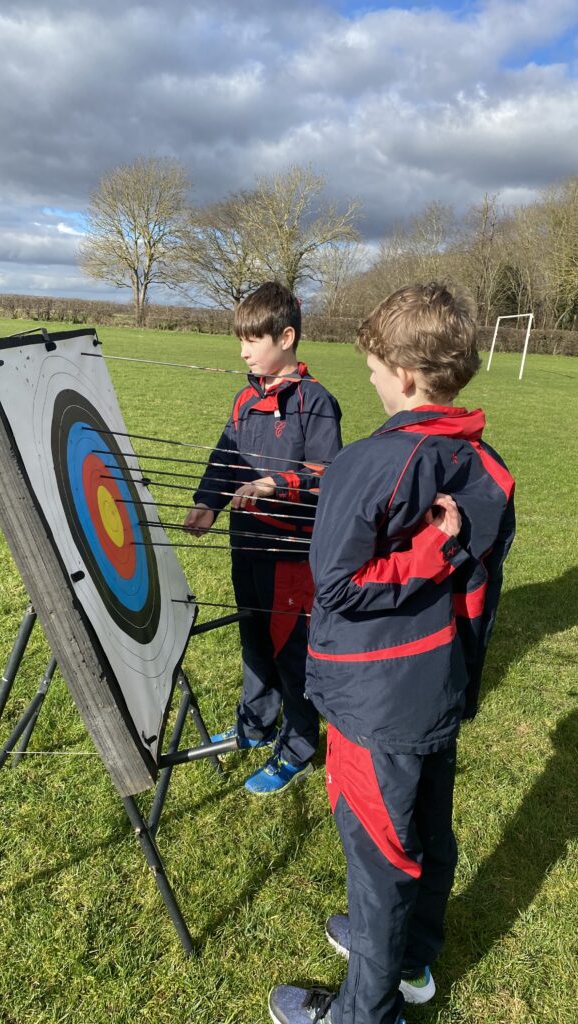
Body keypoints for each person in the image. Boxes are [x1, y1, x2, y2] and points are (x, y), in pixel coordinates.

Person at [268, 283, 516, 1023]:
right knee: (426, 833)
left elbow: (338, 587)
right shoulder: (486, 463)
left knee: (382, 861)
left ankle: (363, 1012)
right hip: (436, 688)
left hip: (377, 703)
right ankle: (409, 961)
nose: (371, 383)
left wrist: (430, 551)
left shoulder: (373, 461)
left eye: (374, 370)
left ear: (405, 376)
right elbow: (481, 592)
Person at [183, 281, 342, 795]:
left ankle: (298, 746)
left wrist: (277, 483)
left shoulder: (316, 403)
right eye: (241, 341)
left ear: (287, 337)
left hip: (290, 555)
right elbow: (226, 458)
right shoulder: (243, 399)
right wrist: (209, 502)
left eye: (254, 340)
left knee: (288, 649)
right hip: (245, 543)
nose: (244, 351)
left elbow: (326, 473)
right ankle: (256, 724)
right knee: (253, 638)